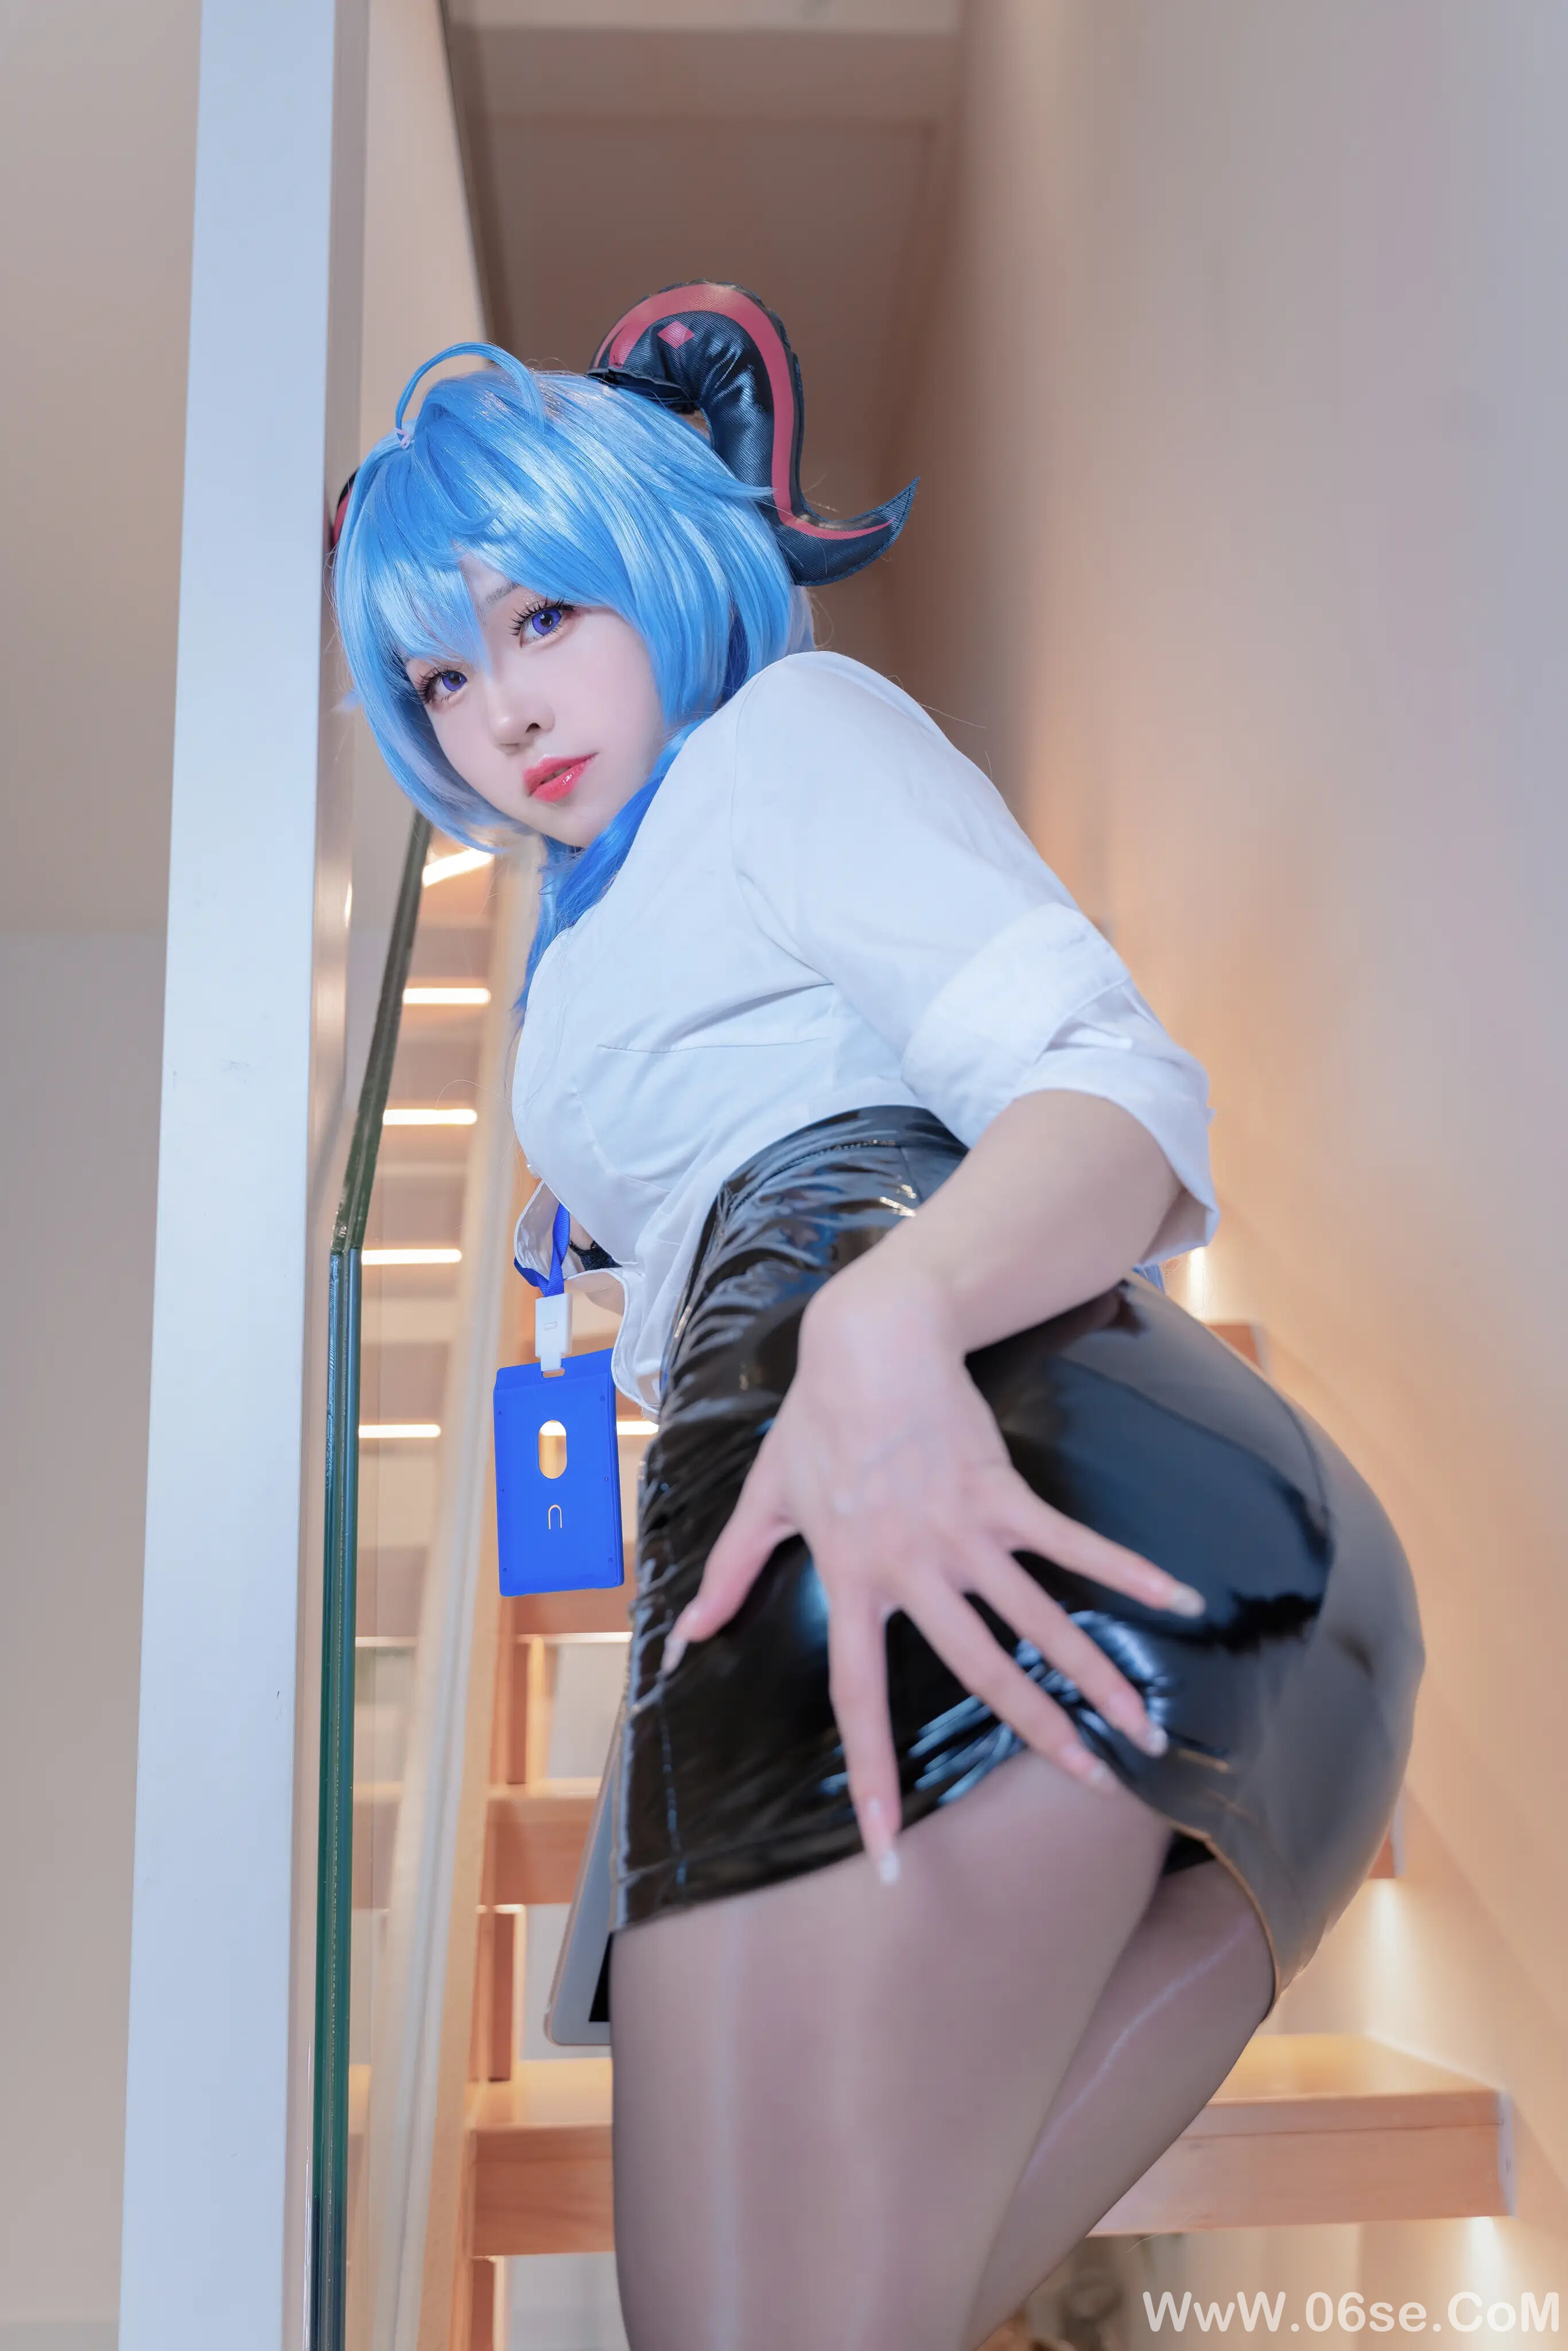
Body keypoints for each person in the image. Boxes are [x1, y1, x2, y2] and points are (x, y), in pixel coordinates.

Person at [333, 284, 1423, 2351]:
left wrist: (877, 1318)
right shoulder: (597, 922)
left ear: (666, 561)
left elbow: (1109, 1090)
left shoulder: (783, 737)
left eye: (543, 616)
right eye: (442, 676)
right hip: (1064, 1539)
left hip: (957, 1475)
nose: (503, 711)